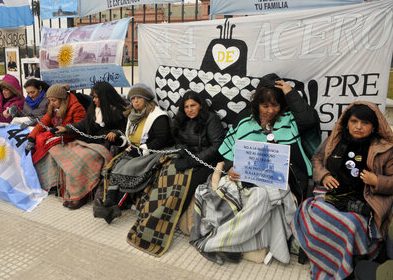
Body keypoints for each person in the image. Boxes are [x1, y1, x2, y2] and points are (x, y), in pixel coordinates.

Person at [190, 73, 321, 265]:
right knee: (258, 197)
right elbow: (227, 155)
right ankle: (229, 244)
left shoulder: (289, 121)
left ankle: (213, 244)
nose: (269, 110)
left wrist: (290, 93)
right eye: (265, 105)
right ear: (257, 104)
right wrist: (230, 168)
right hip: (248, 181)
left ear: (281, 105)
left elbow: (310, 120)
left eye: (274, 105)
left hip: (285, 183)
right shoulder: (245, 124)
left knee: (266, 198)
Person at [292, 102, 393, 280]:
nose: (359, 127)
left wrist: (377, 181)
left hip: (367, 199)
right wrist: (323, 175)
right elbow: (317, 159)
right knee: (319, 213)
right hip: (332, 193)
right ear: (347, 122)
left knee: (349, 224)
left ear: (374, 126)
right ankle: (329, 262)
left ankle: (342, 267)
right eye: (354, 121)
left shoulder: (386, 149)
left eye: (365, 123)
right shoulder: (336, 139)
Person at [126, 90, 226, 256]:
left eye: (193, 105)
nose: (189, 109)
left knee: (181, 185)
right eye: (186, 106)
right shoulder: (182, 118)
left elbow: (216, 147)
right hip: (188, 157)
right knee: (165, 174)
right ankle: (149, 217)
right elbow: (178, 140)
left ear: (200, 105)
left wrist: (192, 161)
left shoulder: (210, 119)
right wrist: (184, 152)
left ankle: (163, 220)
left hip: (206, 163)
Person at [36, 81, 127, 209]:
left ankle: (80, 196)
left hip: (104, 145)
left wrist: (115, 132)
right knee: (65, 154)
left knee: (82, 160)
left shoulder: (118, 111)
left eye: (96, 97)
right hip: (89, 141)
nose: (94, 99)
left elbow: (125, 130)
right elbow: (84, 124)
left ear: (105, 97)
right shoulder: (94, 108)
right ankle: (66, 189)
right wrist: (66, 128)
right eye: (93, 96)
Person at [94, 83, 172, 223]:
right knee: (117, 165)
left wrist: (142, 150)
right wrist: (120, 140)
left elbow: (162, 140)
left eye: (139, 98)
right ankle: (110, 202)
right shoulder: (132, 115)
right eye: (133, 98)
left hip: (151, 152)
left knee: (129, 168)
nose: (135, 101)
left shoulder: (158, 116)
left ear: (147, 99)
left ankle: (114, 205)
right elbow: (128, 137)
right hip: (134, 150)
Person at [26, 84, 86, 164]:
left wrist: (65, 130)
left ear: (62, 99)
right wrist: (31, 137)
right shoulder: (53, 108)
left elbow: (80, 128)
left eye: (54, 100)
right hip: (59, 136)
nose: (51, 103)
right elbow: (43, 122)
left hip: (71, 138)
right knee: (39, 139)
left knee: (44, 142)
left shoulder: (76, 108)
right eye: (49, 100)